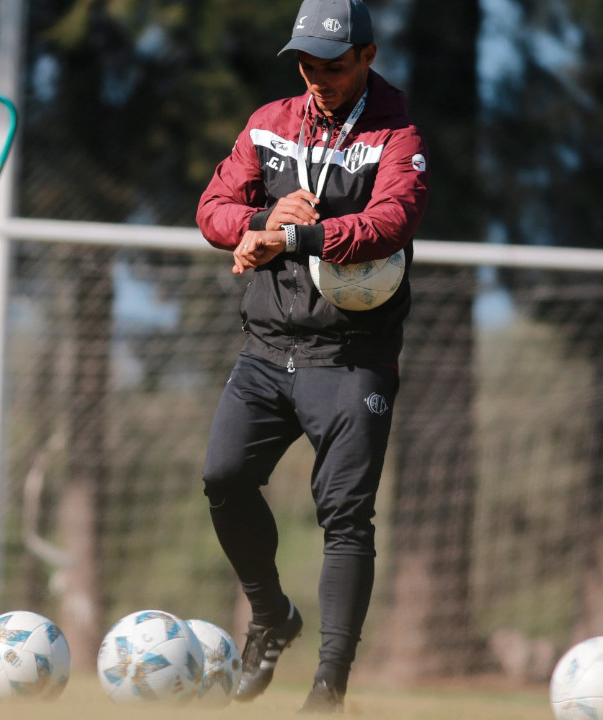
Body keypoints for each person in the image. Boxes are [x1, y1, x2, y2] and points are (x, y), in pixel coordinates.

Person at [194, 0, 429, 713]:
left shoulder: (399, 132)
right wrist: (263, 219)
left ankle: (328, 687)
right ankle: (271, 616)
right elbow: (213, 210)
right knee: (223, 478)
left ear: (367, 56)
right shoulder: (268, 122)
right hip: (266, 348)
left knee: (345, 517)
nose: (318, 79)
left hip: (353, 357)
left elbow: (393, 220)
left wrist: (293, 238)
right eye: (307, 65)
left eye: (333, 65)